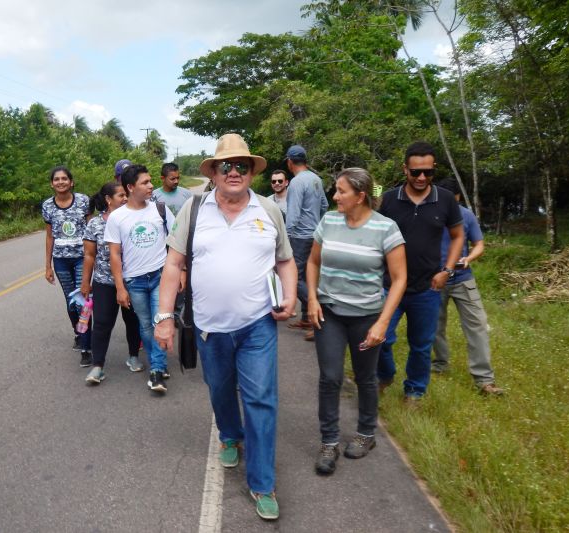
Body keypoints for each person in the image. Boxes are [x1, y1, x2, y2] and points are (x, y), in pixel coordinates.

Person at [154, 133, 297, 521]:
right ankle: (230, 435)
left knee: (261, 399)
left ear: (252, 172)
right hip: (209, 327)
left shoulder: (268, 210)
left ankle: (262, 482)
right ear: (214, 173)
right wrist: (164, 317)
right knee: (219, 388)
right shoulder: (195, 210)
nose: (234, 172)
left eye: (242, 166)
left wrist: (291, 294)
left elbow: (284, 260)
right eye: (226, 166)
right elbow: (172, 265)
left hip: (258, 326)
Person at [306, 168, 407, 475]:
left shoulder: (386, 228)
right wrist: (311, 298)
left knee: (365, 377)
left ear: (361, 196)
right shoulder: (329, 220)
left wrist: (382, 323)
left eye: (341, 191)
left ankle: (366, 434)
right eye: (335, 190)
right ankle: (329, 442)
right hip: (330, 312)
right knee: (330, 377)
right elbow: (312, 261)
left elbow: (400, 279)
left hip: (367, 316)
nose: (334, 196)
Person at [377, 141, 465, 402]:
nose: (422, 177)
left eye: (428, 172)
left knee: (421, 346)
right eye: (416, 172)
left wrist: (447, 270)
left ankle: (414, 391)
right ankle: (384, 375)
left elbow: (458, 236)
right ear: (405, 170)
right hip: (389, 284)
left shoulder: (446, 199)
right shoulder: (390, 199)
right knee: (380, 338)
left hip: (427, 287)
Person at [105, 164, 176, 393]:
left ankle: (156, 369)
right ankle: (159, 362)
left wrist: (181, 273)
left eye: (150, 181)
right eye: (145, 182)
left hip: (160, 276)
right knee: (145, 326)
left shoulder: (160, 209)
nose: (151, 185)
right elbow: (114, 255)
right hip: (134, 281)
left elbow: (176, 244)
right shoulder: (117, 218)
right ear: (130, 187)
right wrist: (119, 288)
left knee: (159, 321)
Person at [432, 178, 504, 395]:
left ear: (458, 198)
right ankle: (440, 364)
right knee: (434, 327)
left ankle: (484, 380)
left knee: (477, 326)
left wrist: (470, 258)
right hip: (435, 279)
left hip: (463, 278)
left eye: (452, 200)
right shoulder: (430, 215)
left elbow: (479, 244)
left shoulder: (466, 215)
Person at [80, 182, 143, 384]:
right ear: (108, 199)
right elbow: (89, 255)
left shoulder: (133, 220)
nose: (125, 198)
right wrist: (85, 282)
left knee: (133, 321)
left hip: (131, 280)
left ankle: (133, 356)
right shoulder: (95, 224)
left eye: (126, 195)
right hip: (104, 282)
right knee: (102, 324)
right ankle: (97, 366)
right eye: (121, 195)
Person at [42, 165, 92, 367]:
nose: (60, 182)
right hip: (61, 260)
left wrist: (94, 258)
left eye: (64, 179)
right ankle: (79, 333)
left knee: (83, 301)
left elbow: (91, 230)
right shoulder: (47, 205)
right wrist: (47, 266)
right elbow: (49, 235)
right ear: (52, 184)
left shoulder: (83, 201)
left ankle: (87, 348)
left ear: (71, 182)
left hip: (82, 257)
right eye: (56, 179)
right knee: (70, 302)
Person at [284, 145, 328, 339]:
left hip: (300, 237)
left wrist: (286, 236)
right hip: (315, 235)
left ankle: (316, 312)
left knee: (295, 278)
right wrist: (319, 226)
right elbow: (325, 205)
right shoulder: (316, 179)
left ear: (289, 162)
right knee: (311, 274)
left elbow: (293, 214)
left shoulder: (296, 182)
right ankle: (306, 318)